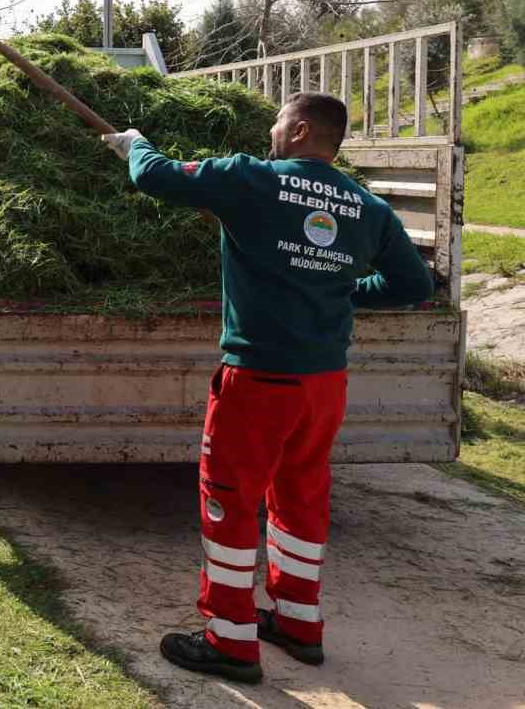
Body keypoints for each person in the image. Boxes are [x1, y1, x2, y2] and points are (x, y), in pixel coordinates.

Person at [101, 92, 432, 686]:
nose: (271, 131)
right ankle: (299, 624)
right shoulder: (368, 207)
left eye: (277, 122)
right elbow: (412, 285)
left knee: (227, 500)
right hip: (323, 384)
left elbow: (156, 178)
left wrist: (134, 142)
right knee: (300, 497)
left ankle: (230, 639)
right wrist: (340, 292)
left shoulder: (251, 179)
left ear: (300, 129)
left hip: (258, 382)